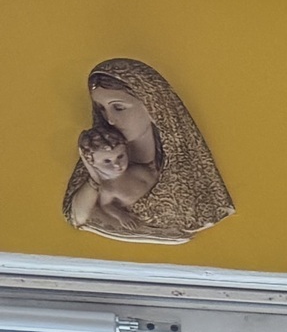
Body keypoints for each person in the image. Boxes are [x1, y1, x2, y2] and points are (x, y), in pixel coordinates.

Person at [59, 59, 233, 242]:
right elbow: (79, 216)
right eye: (102, 109)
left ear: (153, 106)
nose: (109, 120)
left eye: (118, 107)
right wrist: (96, 178)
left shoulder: (183, 171)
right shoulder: (99, 158)